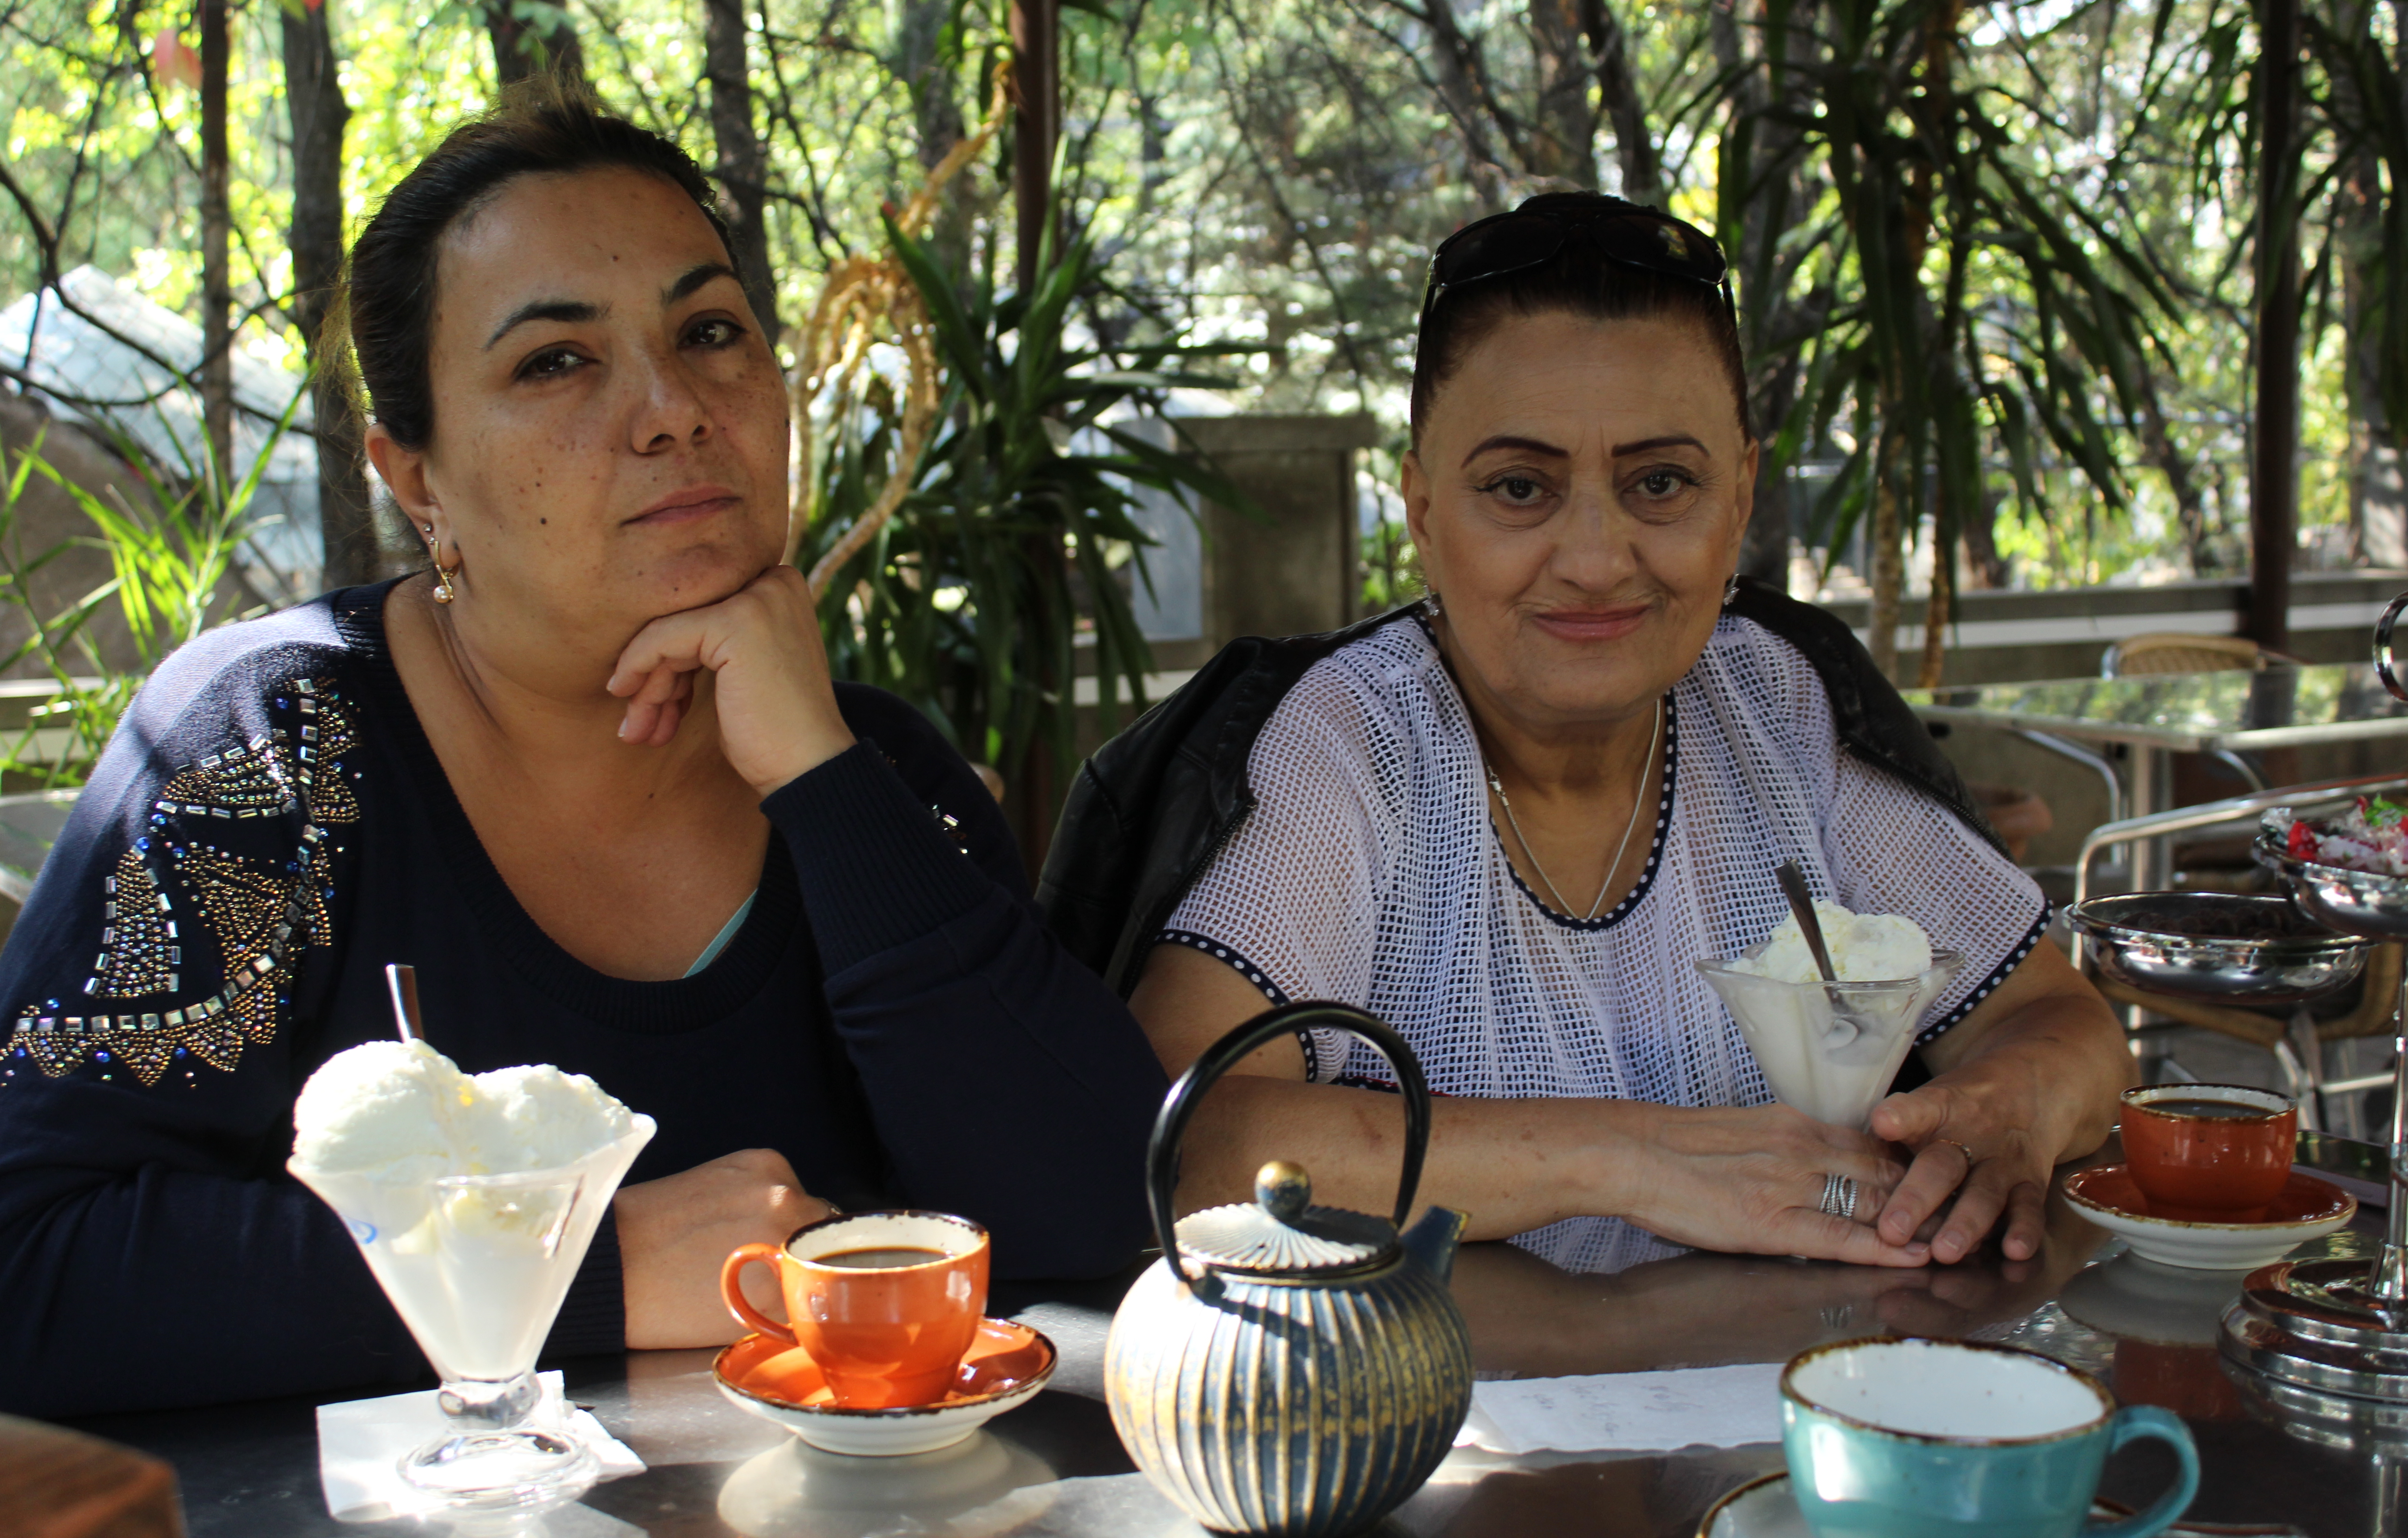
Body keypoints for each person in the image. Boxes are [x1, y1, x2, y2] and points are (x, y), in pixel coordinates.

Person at [0, 88, 1167, 1417]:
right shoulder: (272, 761)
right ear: (416, 479)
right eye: (555, 361)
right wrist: (576, 1261)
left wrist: (822, 782)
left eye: (712, 332)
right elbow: (33, 1262)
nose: (673, 408)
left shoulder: (878, 781)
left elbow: (1095, 1218)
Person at [1042, 192, 2131, 1275]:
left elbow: (2060, 1025)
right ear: (1423, 510)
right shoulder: (1352, 741)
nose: (1598, 558)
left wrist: (2009, 1111)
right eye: (1520, 488)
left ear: (1740, 494)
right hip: (1435, 1428)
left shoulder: (1783, 708)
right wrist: (1638, 1160)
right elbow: (1189, 1134)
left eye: (1661, 483)